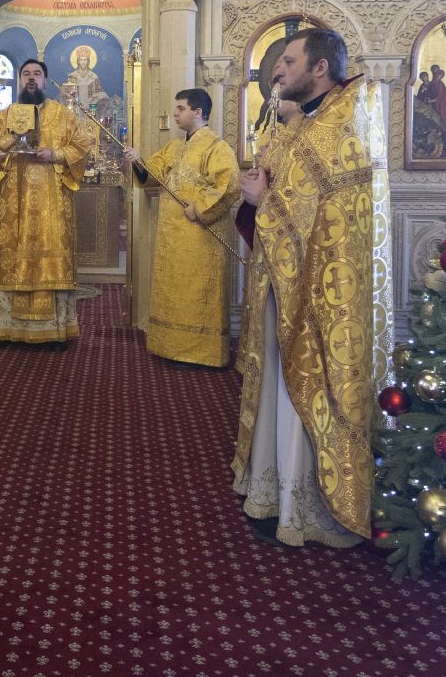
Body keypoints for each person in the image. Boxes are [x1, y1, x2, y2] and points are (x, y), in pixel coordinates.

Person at [233, 28, 390, 548]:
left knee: (306, 384)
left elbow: (313, 213)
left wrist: (261, 202)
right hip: (284, 280)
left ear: (320, 68)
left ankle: (305, 505)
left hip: (324, 293)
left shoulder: (342, 124)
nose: (277, 71)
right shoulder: (307, 122)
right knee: (277, 380)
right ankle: (272, 488)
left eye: (287, 61)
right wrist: (260, 193)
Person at [0, 58, 92, 351]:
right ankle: (7, 330)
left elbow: (82, 145)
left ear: (44, 80)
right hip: (15, 205)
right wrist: (10, 140)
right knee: (14, 260)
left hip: (53, 205)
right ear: (19, 80)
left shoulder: (63, 115)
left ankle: (56, 332)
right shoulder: (6, 116)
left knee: (51, 261)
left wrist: (55, 154)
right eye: (26, 73)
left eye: (37, 74)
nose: (31, 78)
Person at [122, 89, 240, 367]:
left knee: (198, 294)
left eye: (181, 108)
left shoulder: (216, 147)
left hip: (201, 238)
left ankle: (201, 354)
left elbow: (229, 185)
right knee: (176, 293)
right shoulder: (174, 147)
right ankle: (171, 347)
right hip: (172, 237)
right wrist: (138, 161)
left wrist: (198, 208)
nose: (175, 113)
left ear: (197, 112)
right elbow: (152, 175)